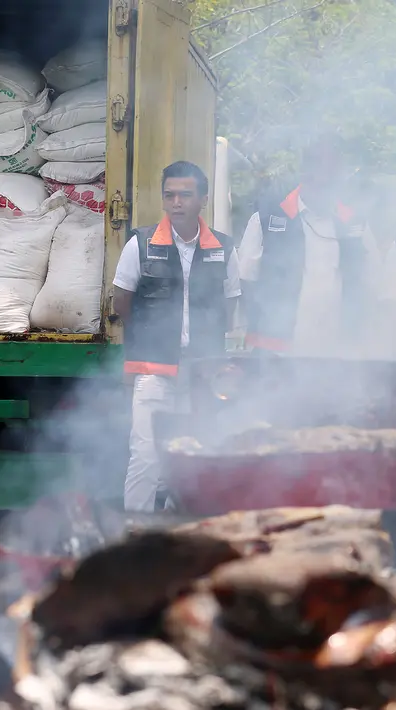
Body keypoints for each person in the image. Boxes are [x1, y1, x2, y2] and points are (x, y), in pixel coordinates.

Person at [112, 161, 241, 511]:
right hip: (153, 368)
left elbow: (230, 308)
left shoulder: (224, 249)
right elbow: (122, 302)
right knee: (146, 454)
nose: (176, 202)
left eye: (185, 195)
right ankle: (134, 534)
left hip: (202, 371)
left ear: (204, 199)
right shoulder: (140, 244)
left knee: (193, 453)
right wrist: (149, 339)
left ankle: (176, 529)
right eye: (169, 195)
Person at [237, 135, 396, 355]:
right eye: (323, 178)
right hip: (278, 353)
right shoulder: (267, 219)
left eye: (334, 179)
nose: (327, 186)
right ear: (306, 174)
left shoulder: (355, 224)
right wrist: (262, 338)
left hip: (338, 354)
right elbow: (246, 282)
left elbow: (373, 284)